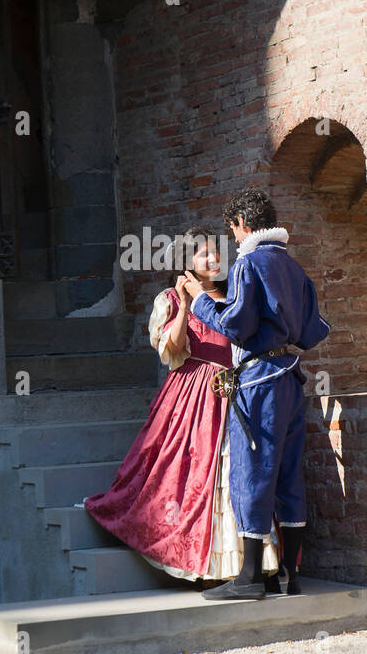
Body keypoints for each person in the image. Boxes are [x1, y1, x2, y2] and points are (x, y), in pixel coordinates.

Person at [83, 228, 280, 582]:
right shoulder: (171, 300)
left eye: (216, 253)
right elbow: (171, 351)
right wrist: (187, 303)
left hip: (234, 391)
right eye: (205, 254)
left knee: (238, 470)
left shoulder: (232, 295)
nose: (214, 259)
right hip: (193, 393)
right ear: (187, 262)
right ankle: (206, 564)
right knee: (190, 472)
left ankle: (247, 566)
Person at [183, 188, 330, 601]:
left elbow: (238, 324)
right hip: (291, 378)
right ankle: (292, 575)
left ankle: (248, 579)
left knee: (252, 472)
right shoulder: (293, 266)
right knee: (288, 473)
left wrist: (200, 302)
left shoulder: (249, 262)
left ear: (243, 224)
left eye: (232, 230)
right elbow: (313, 329)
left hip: (259, 380)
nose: (232, 239)